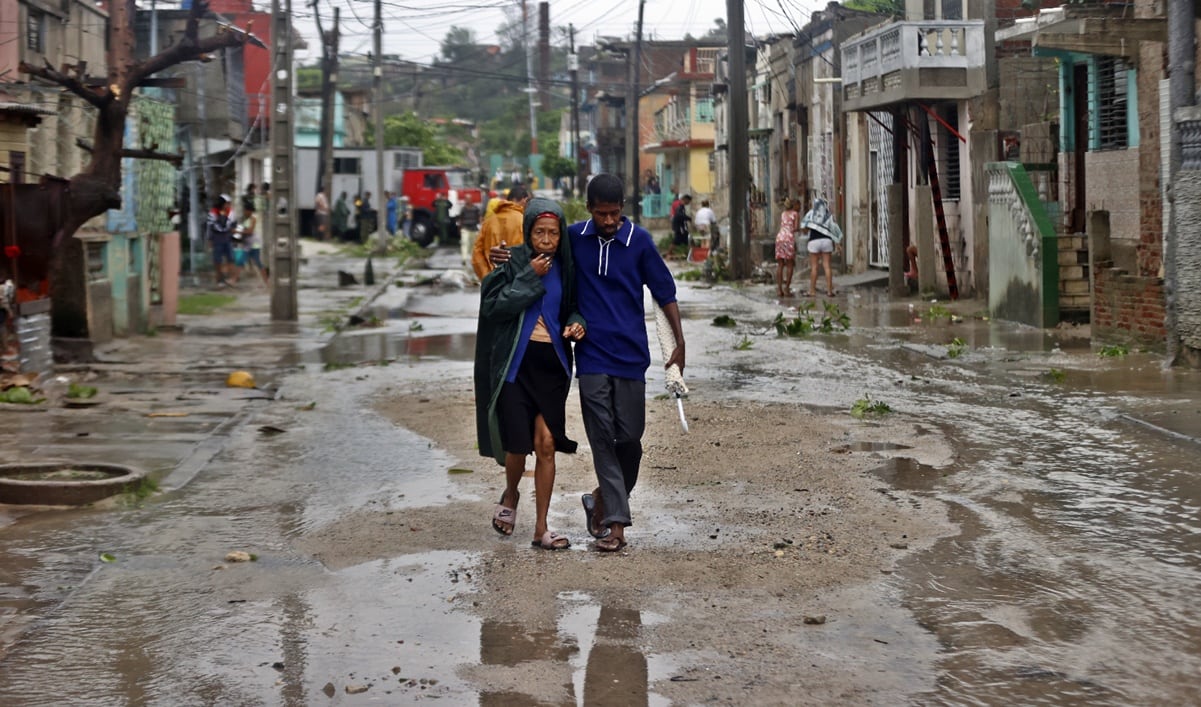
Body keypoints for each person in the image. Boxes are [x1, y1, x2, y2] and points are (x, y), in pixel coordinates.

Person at [491, 174, 685, 553]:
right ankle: (616, 526)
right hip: (592, 357)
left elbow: (665, 292)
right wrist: (506, 258)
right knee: (602, 441)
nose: (609, 221)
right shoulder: (575, 239)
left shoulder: (640, 242)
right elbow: (537, 247)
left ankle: (599, 500)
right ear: (589, 209)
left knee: (630, 439)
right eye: (601, 214)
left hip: (631, 357)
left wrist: (680, 343)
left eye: (614, 214)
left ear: (622, 210)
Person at [475, 197, 587, 550]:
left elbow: (574, 308)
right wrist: (528, 276)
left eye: (553, 233)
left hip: (551, 366)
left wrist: (576, 323)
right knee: (518, 447)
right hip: (516, 365)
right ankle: (511, 493)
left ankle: (541, 528)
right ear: (528, 231)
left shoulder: (568, 268)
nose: (547, 239)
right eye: (539, 231)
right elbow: (495, 307)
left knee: (547, 444)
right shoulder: (513, 262)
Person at [471, 185, 530, 280]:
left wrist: (487, 277)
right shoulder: (524, 221)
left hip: (492, 281)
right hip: (517, 283)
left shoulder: (488, 222)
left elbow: (476, 254)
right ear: (524, 200)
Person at [800, 196, 844, 297]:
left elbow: (804, 227)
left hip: (814, 242)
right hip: (826, 241)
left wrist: (808, 230)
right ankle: (829, 291)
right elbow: (834, 229)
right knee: (827, 266)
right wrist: (837, 243)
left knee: (814, 268)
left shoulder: (811, 214)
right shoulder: (828, 215)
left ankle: (812, 291)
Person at [205, 194, 236, 287]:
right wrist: (209, 239)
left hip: (227, 237)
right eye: (227, 203)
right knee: (217, 260)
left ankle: (231, 279)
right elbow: (210, 227)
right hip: (217, 238)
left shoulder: (230, 212)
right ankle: (219, 279)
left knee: (230, 258)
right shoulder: (213, 212)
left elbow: (232, 224)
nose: (228, 205)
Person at [235, 203, 268, 284]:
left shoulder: (253, 219)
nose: (244, 212)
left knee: (257, 263)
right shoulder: (246, 220)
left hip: (254, 245)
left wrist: (237, 231)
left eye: (245, 210)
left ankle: (267, 282)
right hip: (247, 245)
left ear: (249, 211)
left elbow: (250, 231)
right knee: (241, 262)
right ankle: (234, 280)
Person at [774, 197, 800, 298]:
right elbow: (796, 227)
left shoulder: (783, 214)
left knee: (780, 264)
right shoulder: (795, 214)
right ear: (794, 205)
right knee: (790, 264)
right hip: (789, 238)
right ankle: (787, 289)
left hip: (780, 237)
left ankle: (779, 290)